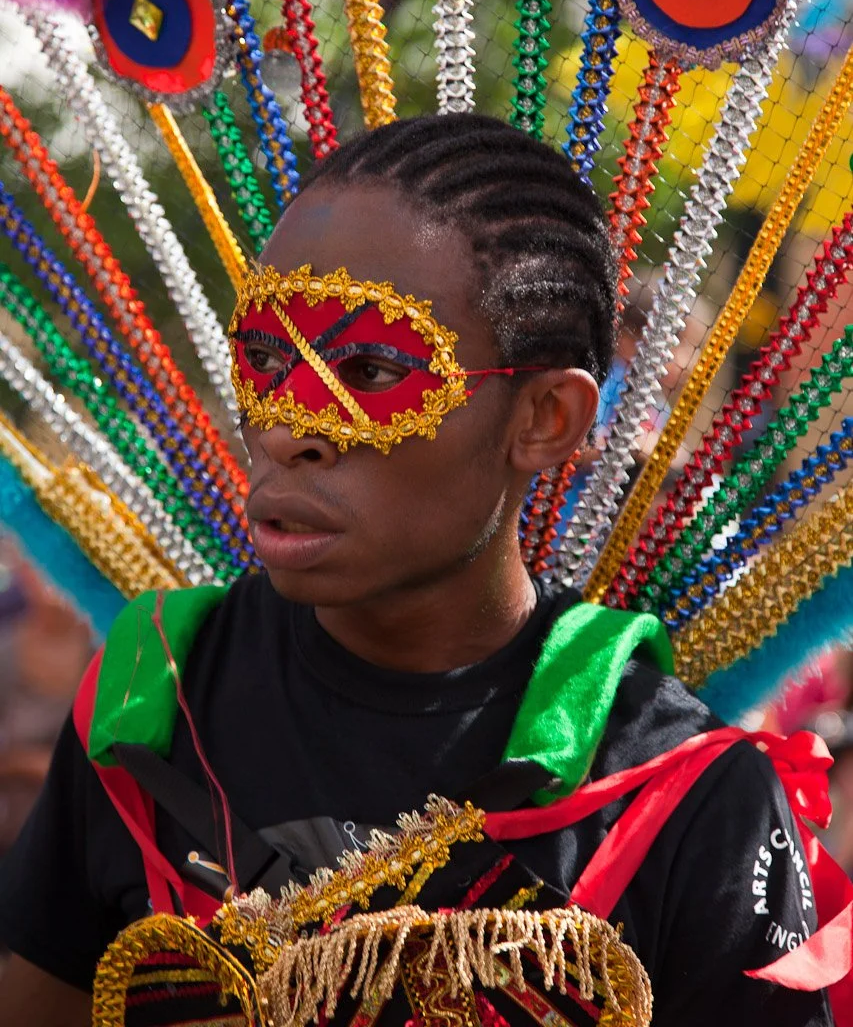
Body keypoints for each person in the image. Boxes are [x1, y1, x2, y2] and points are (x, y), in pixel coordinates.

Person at [0, 115, 833, 1026]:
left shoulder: (684, 793)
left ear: (545, 419)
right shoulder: (153, 699)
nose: (286, 430)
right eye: (264, 359)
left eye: (368, 370)